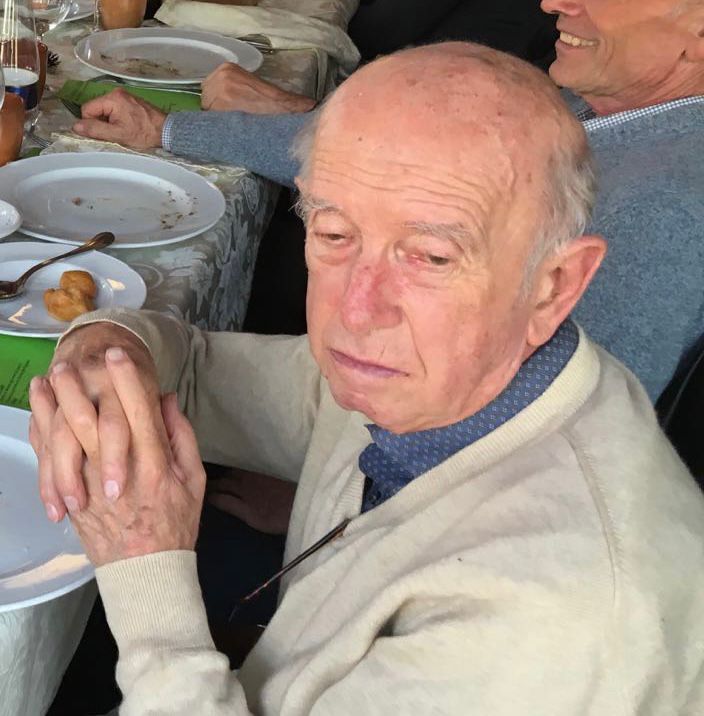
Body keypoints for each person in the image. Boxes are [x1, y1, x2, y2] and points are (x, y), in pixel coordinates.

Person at [30, 43, 704, 715]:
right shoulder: (431, 379)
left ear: (555, 285)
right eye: (334, 234)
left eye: (431, 257)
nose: (356, 312)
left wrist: (144, 565)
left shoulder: (552, 623)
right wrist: (104, 344)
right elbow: (201, 375)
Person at [72, 0, 704, 402]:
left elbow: (567, 443)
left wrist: (343, 487)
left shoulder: (665, 208)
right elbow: (382, 162)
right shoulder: (601, 114)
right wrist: (169, 130)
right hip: (359, 413)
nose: (555, 3)